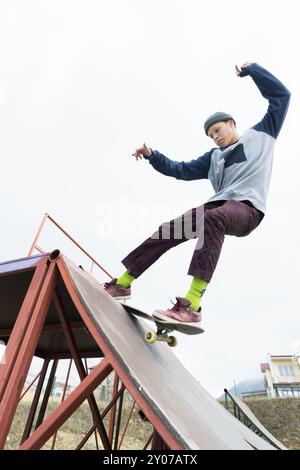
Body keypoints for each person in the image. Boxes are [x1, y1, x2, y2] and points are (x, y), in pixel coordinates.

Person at [104, 62, 291, 325]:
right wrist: (152, 156)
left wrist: (253, 70)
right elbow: (180, 170)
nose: (215, 137)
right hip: (218, 205)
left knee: (214, 219)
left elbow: (282, 97)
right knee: (169, 229)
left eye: (218, 131)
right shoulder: (213, 158)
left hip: (248, 209)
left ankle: (193, 304)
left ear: (231, 123)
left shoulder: (262, 134)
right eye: (210, 135)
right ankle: (123, 283)